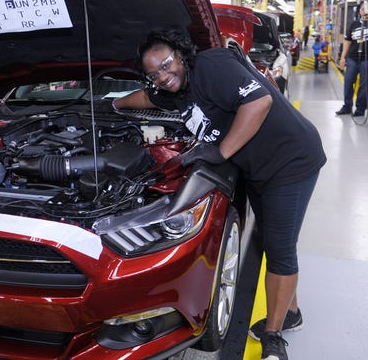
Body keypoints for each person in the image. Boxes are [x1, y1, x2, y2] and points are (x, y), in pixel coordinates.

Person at [111, 28, 326, 360]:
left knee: (280, 249)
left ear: (180, 54)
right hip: (256, 168)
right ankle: (292, 311)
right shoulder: (172, 92)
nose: (164, 76)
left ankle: (274, 337)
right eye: (154, 73)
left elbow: (259, 101)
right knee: (270, 239)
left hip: (290, 161)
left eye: (167, 65)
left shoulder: (212, 65)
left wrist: (221, 152)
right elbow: (143, 98)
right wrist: (111, 104)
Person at [336, 0, 368, 117]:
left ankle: (360, 109)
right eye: (363, 9)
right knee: (348, 81)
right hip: (353, 58)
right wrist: (343, 57)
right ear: (360, 11)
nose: (364, 11)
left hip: (366, 59)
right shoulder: (354, 24)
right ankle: (347, 106)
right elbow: (348, 42)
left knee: (364, 85)